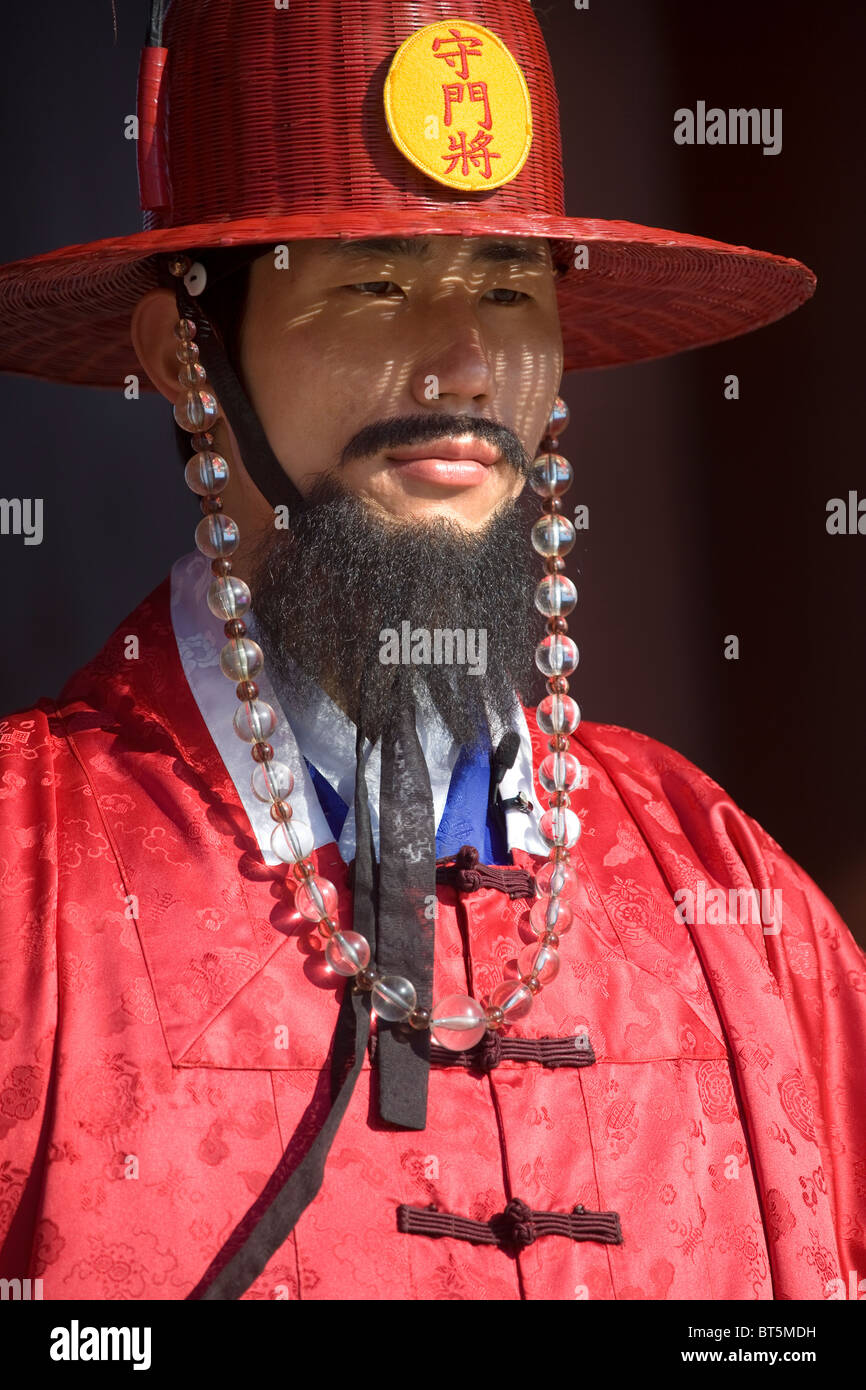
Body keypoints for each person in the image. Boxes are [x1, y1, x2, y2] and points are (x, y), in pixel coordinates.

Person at [0, 0, 863, 1302]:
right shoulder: (26, 890)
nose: (464, 363)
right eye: (376, 283)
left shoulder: (722, 887)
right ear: (187, 350)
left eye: (509, 290)